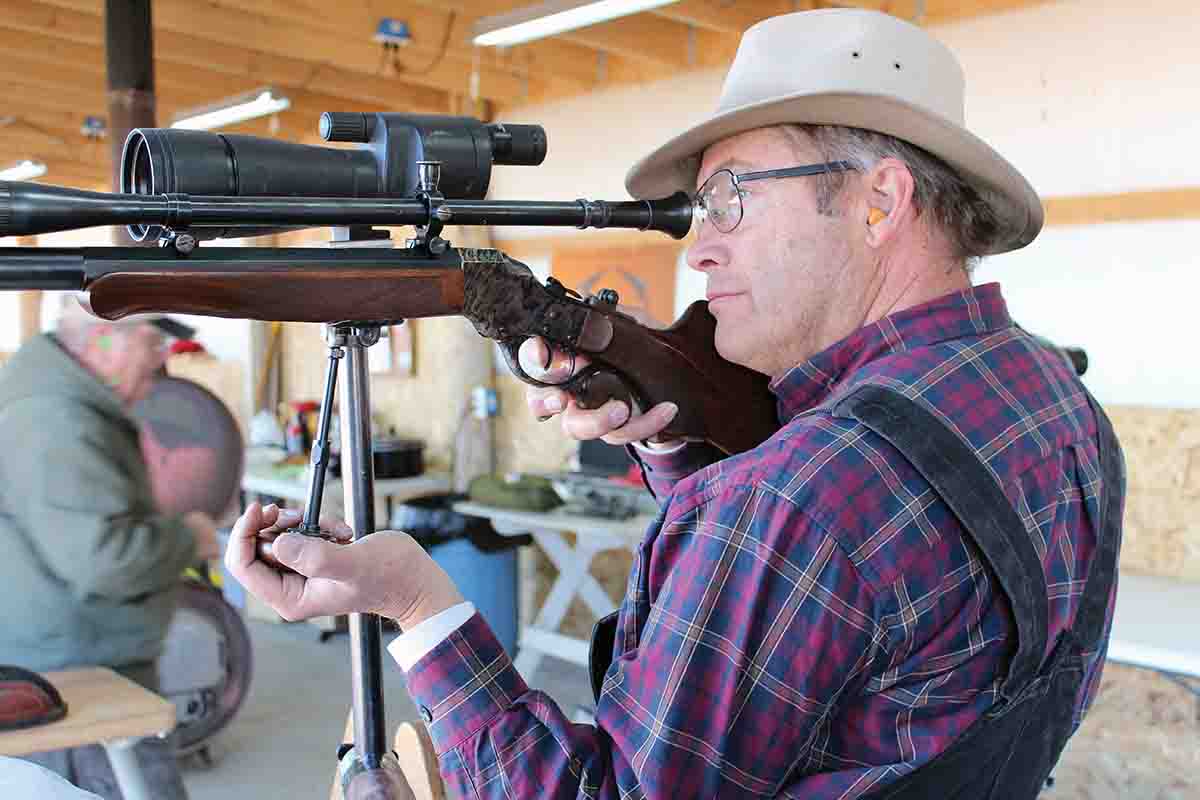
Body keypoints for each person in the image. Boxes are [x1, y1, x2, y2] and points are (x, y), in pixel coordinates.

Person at [227, 9, 1124, 799]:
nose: (700, 253)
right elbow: (878, 647)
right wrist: (679, 455)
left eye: (729, 198)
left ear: (879, 201)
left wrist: (418, 605)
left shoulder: (790, 501)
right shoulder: (1055, 399)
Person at [0, 299, 218, 799]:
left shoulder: (58, 400)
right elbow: (104, 559)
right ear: (102, 341)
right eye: (151, 341)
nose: (162, 358)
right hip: (78, 679)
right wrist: (190, 537)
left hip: (76, 661)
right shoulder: (56, 419)